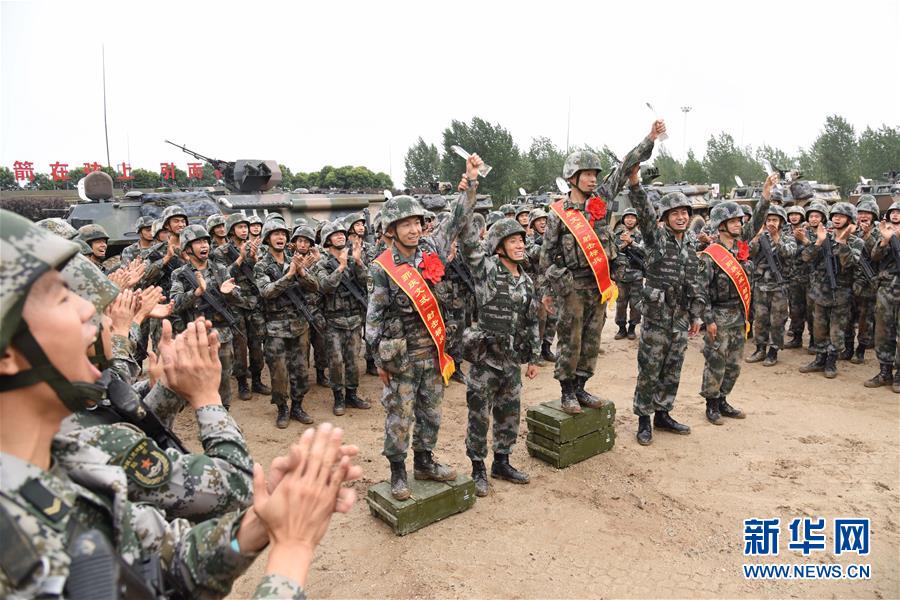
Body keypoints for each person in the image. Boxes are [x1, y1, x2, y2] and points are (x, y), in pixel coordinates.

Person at [0, 209, 360, 599]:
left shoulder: (64, 461)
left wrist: (255, 526)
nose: (89, 309)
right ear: (7, 354)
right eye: (61, 297)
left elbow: (157, 562)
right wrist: (292, 550)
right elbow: (228, 490)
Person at [366, 155, 480, 500]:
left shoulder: (432, 247)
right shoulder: (383, 267)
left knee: (431, 410)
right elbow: (374, 318)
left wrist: (471, 182)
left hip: (433, 349)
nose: (415, 229)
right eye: (406, 224)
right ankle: (398, 472)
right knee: (400, 416)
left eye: (417, 222)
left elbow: (457, 218)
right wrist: (378, 361)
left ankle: (425, 461)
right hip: (401, 355)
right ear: (392, 230)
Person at [540, 120, 661, 414]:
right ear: (572, 177)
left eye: (595, 174)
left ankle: (581, 387)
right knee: (571, 339)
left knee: (592, 339)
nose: (593, 179)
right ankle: (567, 391)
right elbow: (546, 257)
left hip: (599, 284)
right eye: (587, 174)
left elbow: (626, 166)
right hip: (572, 287)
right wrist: (552, 288)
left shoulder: (602, 200)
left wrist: (650, 138)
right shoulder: (559, 214)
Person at [458, 212, 539, 496]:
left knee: (509, 413)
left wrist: (533, 357)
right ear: (498, 246)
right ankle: (478, 467)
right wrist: (468, 198)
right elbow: (468, 245)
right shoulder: (487, 269)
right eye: (513, 241)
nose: (520, 245)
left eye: (521, 240)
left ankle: (501, 462)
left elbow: (531, 320)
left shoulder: (527, 281)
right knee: (479, 415)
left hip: (512, 361)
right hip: (485, 359)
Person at [628, 165, 707, 446]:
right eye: (675, 213)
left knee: (673, 368)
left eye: (685, 212)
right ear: (665, 218)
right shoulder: (656, 238)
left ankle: (663, 414)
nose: (682, 216)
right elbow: (644, 213)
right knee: (650, 369)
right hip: (657, 316)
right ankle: (643, 420)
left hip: (681, 317)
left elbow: (695, 281)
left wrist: (696, 314)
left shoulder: (690, 244)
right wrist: (636, 184)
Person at [697, 174, 772, 425]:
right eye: (733, 221)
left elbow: (758, 220)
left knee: (734, 364)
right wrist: (708, 320)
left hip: (739, 315)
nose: (739, 224)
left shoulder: (740, 246)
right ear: (721, 226)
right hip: (718, 315)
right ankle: (711, 404)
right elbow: (701, 291)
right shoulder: (710, 256)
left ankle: (724, 399)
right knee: (716, 361)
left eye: (740, 220)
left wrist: (765, 196)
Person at [254, 219, 320, 427]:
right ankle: (282, 408)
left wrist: (301, 272)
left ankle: (297, 406)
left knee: (301, 369)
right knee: (279, 372)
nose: (280, 237)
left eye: (283, 234)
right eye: (275, 234)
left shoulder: (296, 260)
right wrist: (290, 274)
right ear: (267, 238)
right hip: (275, 328)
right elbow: (267, 292)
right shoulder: (261, 266)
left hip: (299, 325)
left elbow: (314, 286)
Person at [169, 225, 243, 409]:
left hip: (222, 335)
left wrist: (228, 293)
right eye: (198, 242)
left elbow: (239, 299)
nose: (204, 246)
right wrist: (196, 293)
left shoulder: (220, 269)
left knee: (224, 378)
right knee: (200, 381)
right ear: (187, 248)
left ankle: (224, 414)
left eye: (205, 241)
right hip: (197, 337)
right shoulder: (180, 274)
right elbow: (175, 304)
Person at [313, 220, 372, 416]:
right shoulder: (322, 263)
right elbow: (324, 286)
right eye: (335, 234)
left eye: (342, 233)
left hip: (354, 320)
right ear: (326, 240)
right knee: (336, 362)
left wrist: (358, 262)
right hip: (333, 322)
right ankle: (338, 397)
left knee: (353, 361)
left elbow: (367, 283)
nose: (340, 236)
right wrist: (341, 267)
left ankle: (352, 395)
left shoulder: (352, 259)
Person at [797, 202, 862, 378]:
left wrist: (842, 243)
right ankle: (820, 359)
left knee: (836, 331)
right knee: (819, 329)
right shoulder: (824, 237)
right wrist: (818, 242)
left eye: (841, 216)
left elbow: (849, 263)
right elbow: (806, 257)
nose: (837, 219)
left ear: (849, 219)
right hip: (820, 293)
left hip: (841, 294)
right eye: (834, 216)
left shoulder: (856, 241)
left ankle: (831, 361)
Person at [212, 213, 270, 400]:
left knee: (256, 343)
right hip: (235, 304)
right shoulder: (221, 252)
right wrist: (240, 259)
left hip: (253, 303)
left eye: (246, 227)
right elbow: (222, 277)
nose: (244, 230)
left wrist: (253, 258)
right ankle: (243, 383)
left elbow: (261, 273)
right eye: (240, 227)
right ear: (231, 230)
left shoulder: (255, 248)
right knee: (239, 346)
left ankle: (257, 380)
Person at [746, 202, 794, 366]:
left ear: (781, 222)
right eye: (769, 219)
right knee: (760, 319)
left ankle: (773, 351)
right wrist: (757, 236)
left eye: (775, 219)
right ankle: (760, 349)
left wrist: (776, 238)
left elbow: (788, 252)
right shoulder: (761, 237)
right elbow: (748, 252)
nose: (771, 223)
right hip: (760, 285)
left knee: (777, 320)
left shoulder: (788, 238)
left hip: (779, 287)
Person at [864, 201, 900, 392]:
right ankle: (884, 371)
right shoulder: (884, 233)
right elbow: (875, 256)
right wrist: (885, 240)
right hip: (886, 290)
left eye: (898, 212)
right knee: (883, 332)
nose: (895, 215)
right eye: (892, 212)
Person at [846, 195, 880, 364]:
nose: (863, 215)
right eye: (860, 212)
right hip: (850, 281)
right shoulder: (852, 229)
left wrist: (867, 236)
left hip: (868, 284)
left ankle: (860, 349)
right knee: (848, 317)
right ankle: (849, 348)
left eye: (867, 212)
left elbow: (878, 254)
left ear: (873, 214)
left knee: (865, 319)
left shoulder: (880, 231)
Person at [613, 207, 645, 340]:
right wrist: (622, 245)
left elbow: (645, 251)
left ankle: (632, 328)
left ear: (636, 220)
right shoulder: (617, 235)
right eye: (627, 217)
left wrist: (632, 243)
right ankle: (621, 328)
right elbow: (612, 252)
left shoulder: (641, 236)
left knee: (635, 304)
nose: (630, 220)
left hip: (636, 275)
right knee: (620, 303)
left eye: (632, 217)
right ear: (623, 219)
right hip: (621, 275)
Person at [783, 205, 809, 349]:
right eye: (791, 214)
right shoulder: (786, 230)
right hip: (792, 275)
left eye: (796, 214)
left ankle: (813, 340)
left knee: (811, 311)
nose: (793, 217)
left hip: (807, 275)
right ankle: (797, 337)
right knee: (795, 308)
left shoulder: (809, 230)